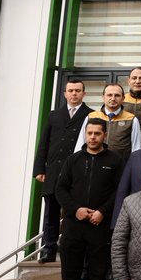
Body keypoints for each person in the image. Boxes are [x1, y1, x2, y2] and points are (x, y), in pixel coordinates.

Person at [50, 118, 123, 280]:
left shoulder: (115, 160)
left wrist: (102, 212)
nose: (93, 137)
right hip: (73, 227)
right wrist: (76, 210)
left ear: (104, 135)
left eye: (97, 134)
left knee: (97, 276)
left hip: (99, 228)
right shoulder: (73, 160)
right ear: (85, 135)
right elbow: (60, 189)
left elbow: (119, 191)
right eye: (89, 133)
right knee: (70, 277)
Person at [33, 79, 92, 263]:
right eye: (71, 91)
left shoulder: (90, 114)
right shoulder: (54, 115)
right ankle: (49, 249)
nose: (74, 94)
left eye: (77, 90)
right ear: (65, 93)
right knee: (51, 212)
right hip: (54, 170)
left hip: (76, 171)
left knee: (74, 211)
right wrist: (39, 169)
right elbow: (44, 143)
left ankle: (74, 249)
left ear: (84, 93)